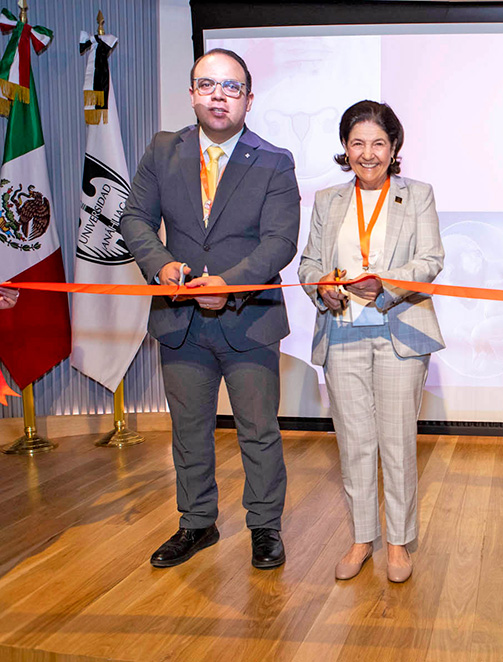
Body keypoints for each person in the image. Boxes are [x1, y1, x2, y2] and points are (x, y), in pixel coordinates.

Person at [121, 48, 300, 570]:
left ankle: (264, 527)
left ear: (249, 98)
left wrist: (231, 284)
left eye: (231, 87)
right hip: (180, 320)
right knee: (188, 430)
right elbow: (134, 218)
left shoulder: (274, 160)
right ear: (192, 93)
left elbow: (280, 241)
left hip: (249, 318)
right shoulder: (163, 149)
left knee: (258, 431)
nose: (219, 96)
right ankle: (197, 522)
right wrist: (161, 266)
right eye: (207, 85)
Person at [299, 100, 444, 584]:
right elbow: (308, 265)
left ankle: (398, 543)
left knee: (397, 443)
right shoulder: (327, 201)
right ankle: (363, 538)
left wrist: (385, 284)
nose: (368, 153)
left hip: (399, 330)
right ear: (345, 147)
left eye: (378, 143)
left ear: (394, 147)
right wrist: (322, 286)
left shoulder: (417, 195)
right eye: (358, 143)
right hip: (341, 333)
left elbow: (430, 260)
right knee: (354, 443)